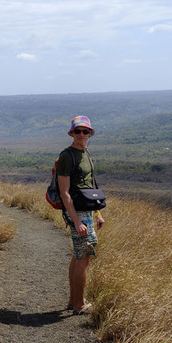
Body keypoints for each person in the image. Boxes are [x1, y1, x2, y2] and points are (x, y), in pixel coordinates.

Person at [57, 115, 105, 315]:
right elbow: (64, 192)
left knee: (78, 256)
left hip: (87, 210)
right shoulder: (67, 156)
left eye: (86, 131)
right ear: (72, 133)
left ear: (90, 133)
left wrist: (98, 213)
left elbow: (89, 187)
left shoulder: (86, 153)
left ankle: (72, 300)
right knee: (84, 256)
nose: (82, 134)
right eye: (78, 131)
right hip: (76, 212)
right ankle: (79, 305)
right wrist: (77, 221)